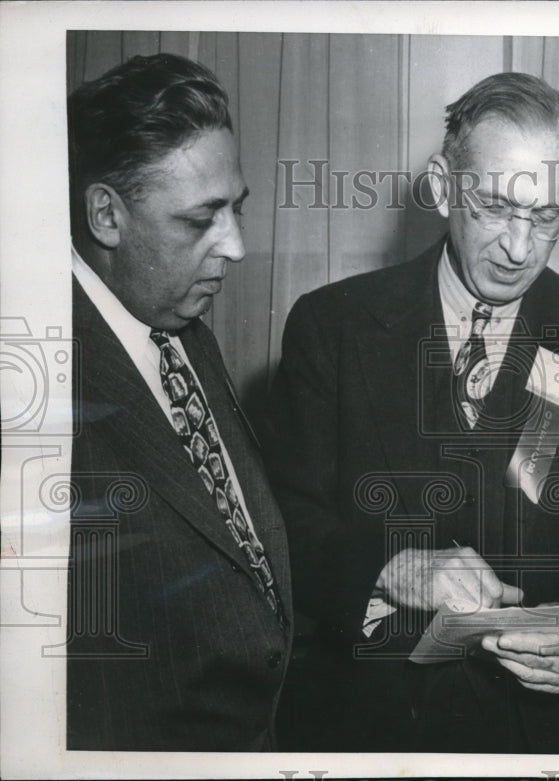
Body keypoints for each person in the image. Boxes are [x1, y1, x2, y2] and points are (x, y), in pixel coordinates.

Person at [264, 71, 559, 753]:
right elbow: (282, 526)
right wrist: (389, 568)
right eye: (498, 207)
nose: (518, 247)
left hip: (539, 738)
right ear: (444, 187)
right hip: (368, 731)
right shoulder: (332, 326)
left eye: (546, 219)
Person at [66, 53, 291, 750]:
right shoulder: (40, 377)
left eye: (236, 208)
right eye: (202, 219)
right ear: (107, 213)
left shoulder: (176, 326)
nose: (238, 246)